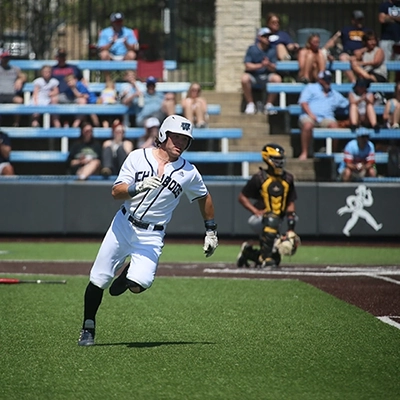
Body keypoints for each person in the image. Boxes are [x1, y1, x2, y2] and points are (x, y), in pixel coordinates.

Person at [77, 115, 218, 346]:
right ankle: (88, 326)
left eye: (185, 139)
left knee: (139, 283)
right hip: (123, 224)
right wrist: (136, 187)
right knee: (99, 279)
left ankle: (128, 274)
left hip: (152, 234)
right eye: (176, 137)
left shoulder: (189, 172)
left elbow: (204, 196)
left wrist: (211, 230)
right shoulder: (137, 157)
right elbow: (116, 192)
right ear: (163, 135)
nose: (180, 143)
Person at [236, 143, 297, 269]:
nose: (279, 162)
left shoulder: (288, 178)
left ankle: (248, 253)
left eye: (281, 159)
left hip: (279, 220)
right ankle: (266, 259)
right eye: (276, 159)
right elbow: (242, 197)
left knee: (276, 259)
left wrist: (291, 229)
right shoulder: (259, 177)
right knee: (271, 218)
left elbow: (291, 204)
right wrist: (255, 211)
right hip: (261, 219)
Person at [298, 70, 349, 160]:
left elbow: (347, 103)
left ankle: (332, 152)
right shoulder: (311, 88)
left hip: (326, 118)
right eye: (325, 79)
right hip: (309, 116)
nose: (327, 82)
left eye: (329, 79)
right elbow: (303, 102)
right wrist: (311, 114)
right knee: (307, 125)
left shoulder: (334, 93)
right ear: (320, 80)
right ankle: (304, 152)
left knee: (334, 126)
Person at [242, 27, 282, 115]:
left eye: (268, 36)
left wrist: (268, 65)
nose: (267, 38)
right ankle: (250, 104)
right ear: (259, 37)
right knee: (244, 78)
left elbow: (274, 67)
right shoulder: (252, 49)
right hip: (254, 76)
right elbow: (247, 65)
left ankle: (269, 105)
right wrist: (261, 65)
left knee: (277, 79)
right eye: (265, 36)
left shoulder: (272, 50)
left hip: (267, 76)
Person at [324, 10, 371, 83]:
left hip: (362, 55)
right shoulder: (346, 29)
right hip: (348, 54)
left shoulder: (367, 30)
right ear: (352, 20)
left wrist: (362, 50)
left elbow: (372, 44)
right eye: (357, 19)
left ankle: (363, 82)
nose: (359, 21)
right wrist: (324, 49)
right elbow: (334, 39)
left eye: (360, 19)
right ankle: (353, 81)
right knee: (343, 57)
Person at [51, 48, 85, 127]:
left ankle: (75, 126)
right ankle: (57, 126)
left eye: (63, 56)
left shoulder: (74, 68)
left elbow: (82, 80)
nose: (62, 58)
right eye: (60, 56)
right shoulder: (53, 69)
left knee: (83, 101)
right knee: (53, 100)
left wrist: (82, 91)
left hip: (74, 95)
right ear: (56, 57)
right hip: (60, 95)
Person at [0, 51, 26, 126]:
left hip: (11, 94)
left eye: (7, 58)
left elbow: (24, 76)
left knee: (19, 100)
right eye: (4, 58)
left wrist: (20, 80)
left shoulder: (14, 69)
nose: (6, 59)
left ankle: (16, 123)